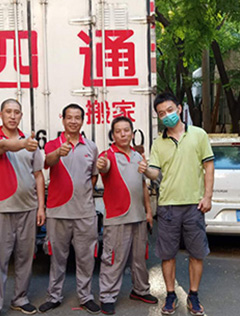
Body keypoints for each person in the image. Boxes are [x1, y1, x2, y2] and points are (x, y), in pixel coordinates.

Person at [140, 92, 214, 316]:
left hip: (194, 205)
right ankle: (170, 295)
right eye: (161, 113)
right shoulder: (158, 143)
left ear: (179, 109)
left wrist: (208, 196)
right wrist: (146, 170)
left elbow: (208, 166)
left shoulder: (199, 135)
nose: (167, 116)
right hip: (168, 206)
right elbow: (155, 173)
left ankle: (193, 295)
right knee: (167, 254)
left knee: (196, 254)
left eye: (170, 110)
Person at [0, 99, 46, 316]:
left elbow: (38, 175)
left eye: (16, 112)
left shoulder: (32, 145)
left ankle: (20, 298)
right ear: (0, 114)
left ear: (21, 115)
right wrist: (22, 144)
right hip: (1, 209)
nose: (12, 115)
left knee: (25, 258)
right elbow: (4, 146)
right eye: (8, 111)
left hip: (28, 209)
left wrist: (40, 207)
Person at [38, 103, 100, 314]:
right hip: (57, 213)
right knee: (57, 257)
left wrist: (81, 195)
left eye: (77, 118)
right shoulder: (52, 145)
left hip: (85, 213)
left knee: (86, 258)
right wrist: (58, 153)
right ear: (62, 120)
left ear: (83, 121)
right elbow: (46, 163)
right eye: (69, 117)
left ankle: (86, 296)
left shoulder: (91, 147)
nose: (73, 121)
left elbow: (93, 176)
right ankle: (54, 296)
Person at [96, 116, 158, 315]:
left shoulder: (138, 157)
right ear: (113, 135)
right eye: (118, 131)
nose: (123, 134)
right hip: (117, 218)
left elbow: (143, 186)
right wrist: (101, 165)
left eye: (126, 130)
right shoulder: (108, 155)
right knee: (113, 259)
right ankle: (107, 297)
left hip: (139, 217)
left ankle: (140, 290)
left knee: (139, 259)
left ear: (132, 133)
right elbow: (103, 168)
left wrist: (148, 212)